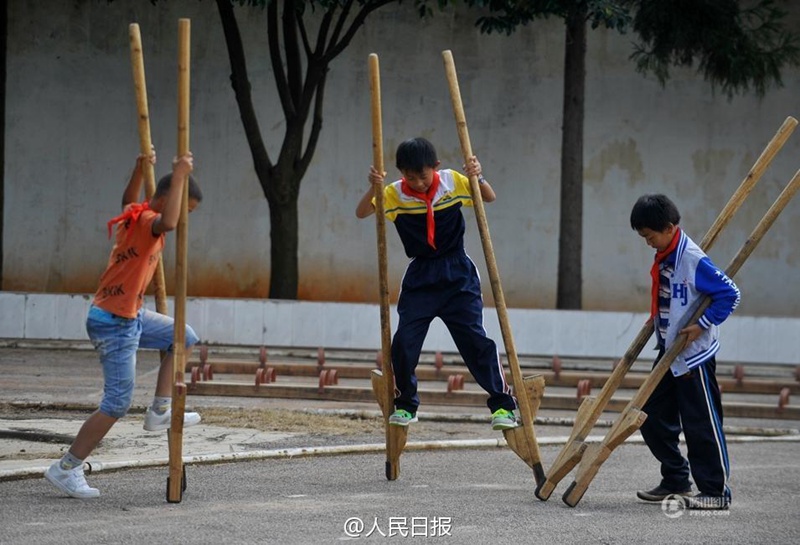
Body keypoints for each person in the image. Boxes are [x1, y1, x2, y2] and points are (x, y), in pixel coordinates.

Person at [45, 149, 204, 499]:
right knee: (117, 403)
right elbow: (171, 222)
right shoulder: (150, 222)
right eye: (185, 206)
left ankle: (160, 409)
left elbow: (127, 198)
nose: (184, 218)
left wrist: (137, 168)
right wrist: (179, 174)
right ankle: (66, 468)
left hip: (127, 314)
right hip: (114, 322)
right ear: (165, 198)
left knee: (184, 336)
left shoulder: (137, 214)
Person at [356, 137, 517, 431]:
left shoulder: (452, 181)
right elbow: (362, 211)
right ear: (401, 173)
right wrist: (374, 186)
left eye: (423, 175)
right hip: (421, 277)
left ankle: (503, 406)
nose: (417, 182)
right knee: (403, 342)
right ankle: (406, 404)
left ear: (436, 167)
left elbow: (488, 196)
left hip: (458, 274)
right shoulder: (394, 194)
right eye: (410, 176)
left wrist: (477, 175)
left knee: (475, 340)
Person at [630, 194, 740, 511]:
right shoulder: (666, 254)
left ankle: (715, 491)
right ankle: (676, 478)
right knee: (648, 415)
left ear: (668, 228)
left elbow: (730, 294)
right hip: (668, 352)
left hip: (693, 357)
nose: (648, 243)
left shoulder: (692, 259)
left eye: (650, 236)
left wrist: (702, 324)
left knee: (700, 424)